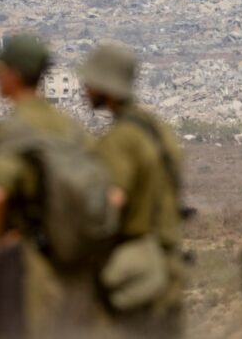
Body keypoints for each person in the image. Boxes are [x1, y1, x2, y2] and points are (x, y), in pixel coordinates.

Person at [0, 34, 104, 338]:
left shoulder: (13, 130)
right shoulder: (72, 128)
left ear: (13, 74)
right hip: (78, 265)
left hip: (30, 268)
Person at [80, 44, 186, 338]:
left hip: (133, 269)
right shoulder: (157, 129)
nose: (84, 89)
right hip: (167, 262)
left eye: (90, 83)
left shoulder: (121, 139)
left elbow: (111, 201)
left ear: (107, 87)